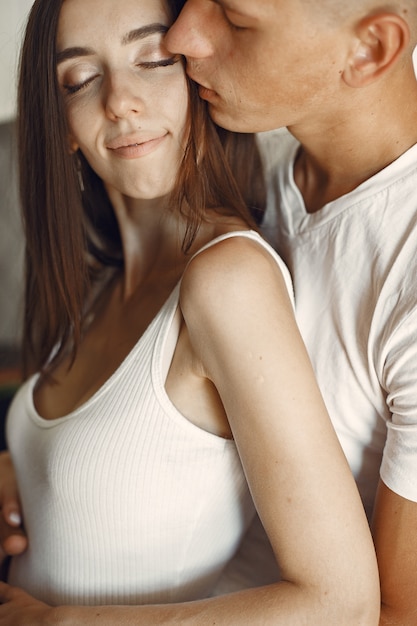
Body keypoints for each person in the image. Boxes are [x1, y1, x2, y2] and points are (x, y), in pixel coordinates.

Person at [0, 0, 380, 623]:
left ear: (200, 79)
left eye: (152, 60)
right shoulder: (100, 289)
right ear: (62, 122)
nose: (120, 100)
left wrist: (52, 621)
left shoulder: (230, 281)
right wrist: (26, 468)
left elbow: (341, 603)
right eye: (81, 79)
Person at [167, 0, 417, 624]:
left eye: (235, 17)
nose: (182, 34)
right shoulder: (254, 154)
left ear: (369, 50)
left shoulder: (404, 277)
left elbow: (392, 613)